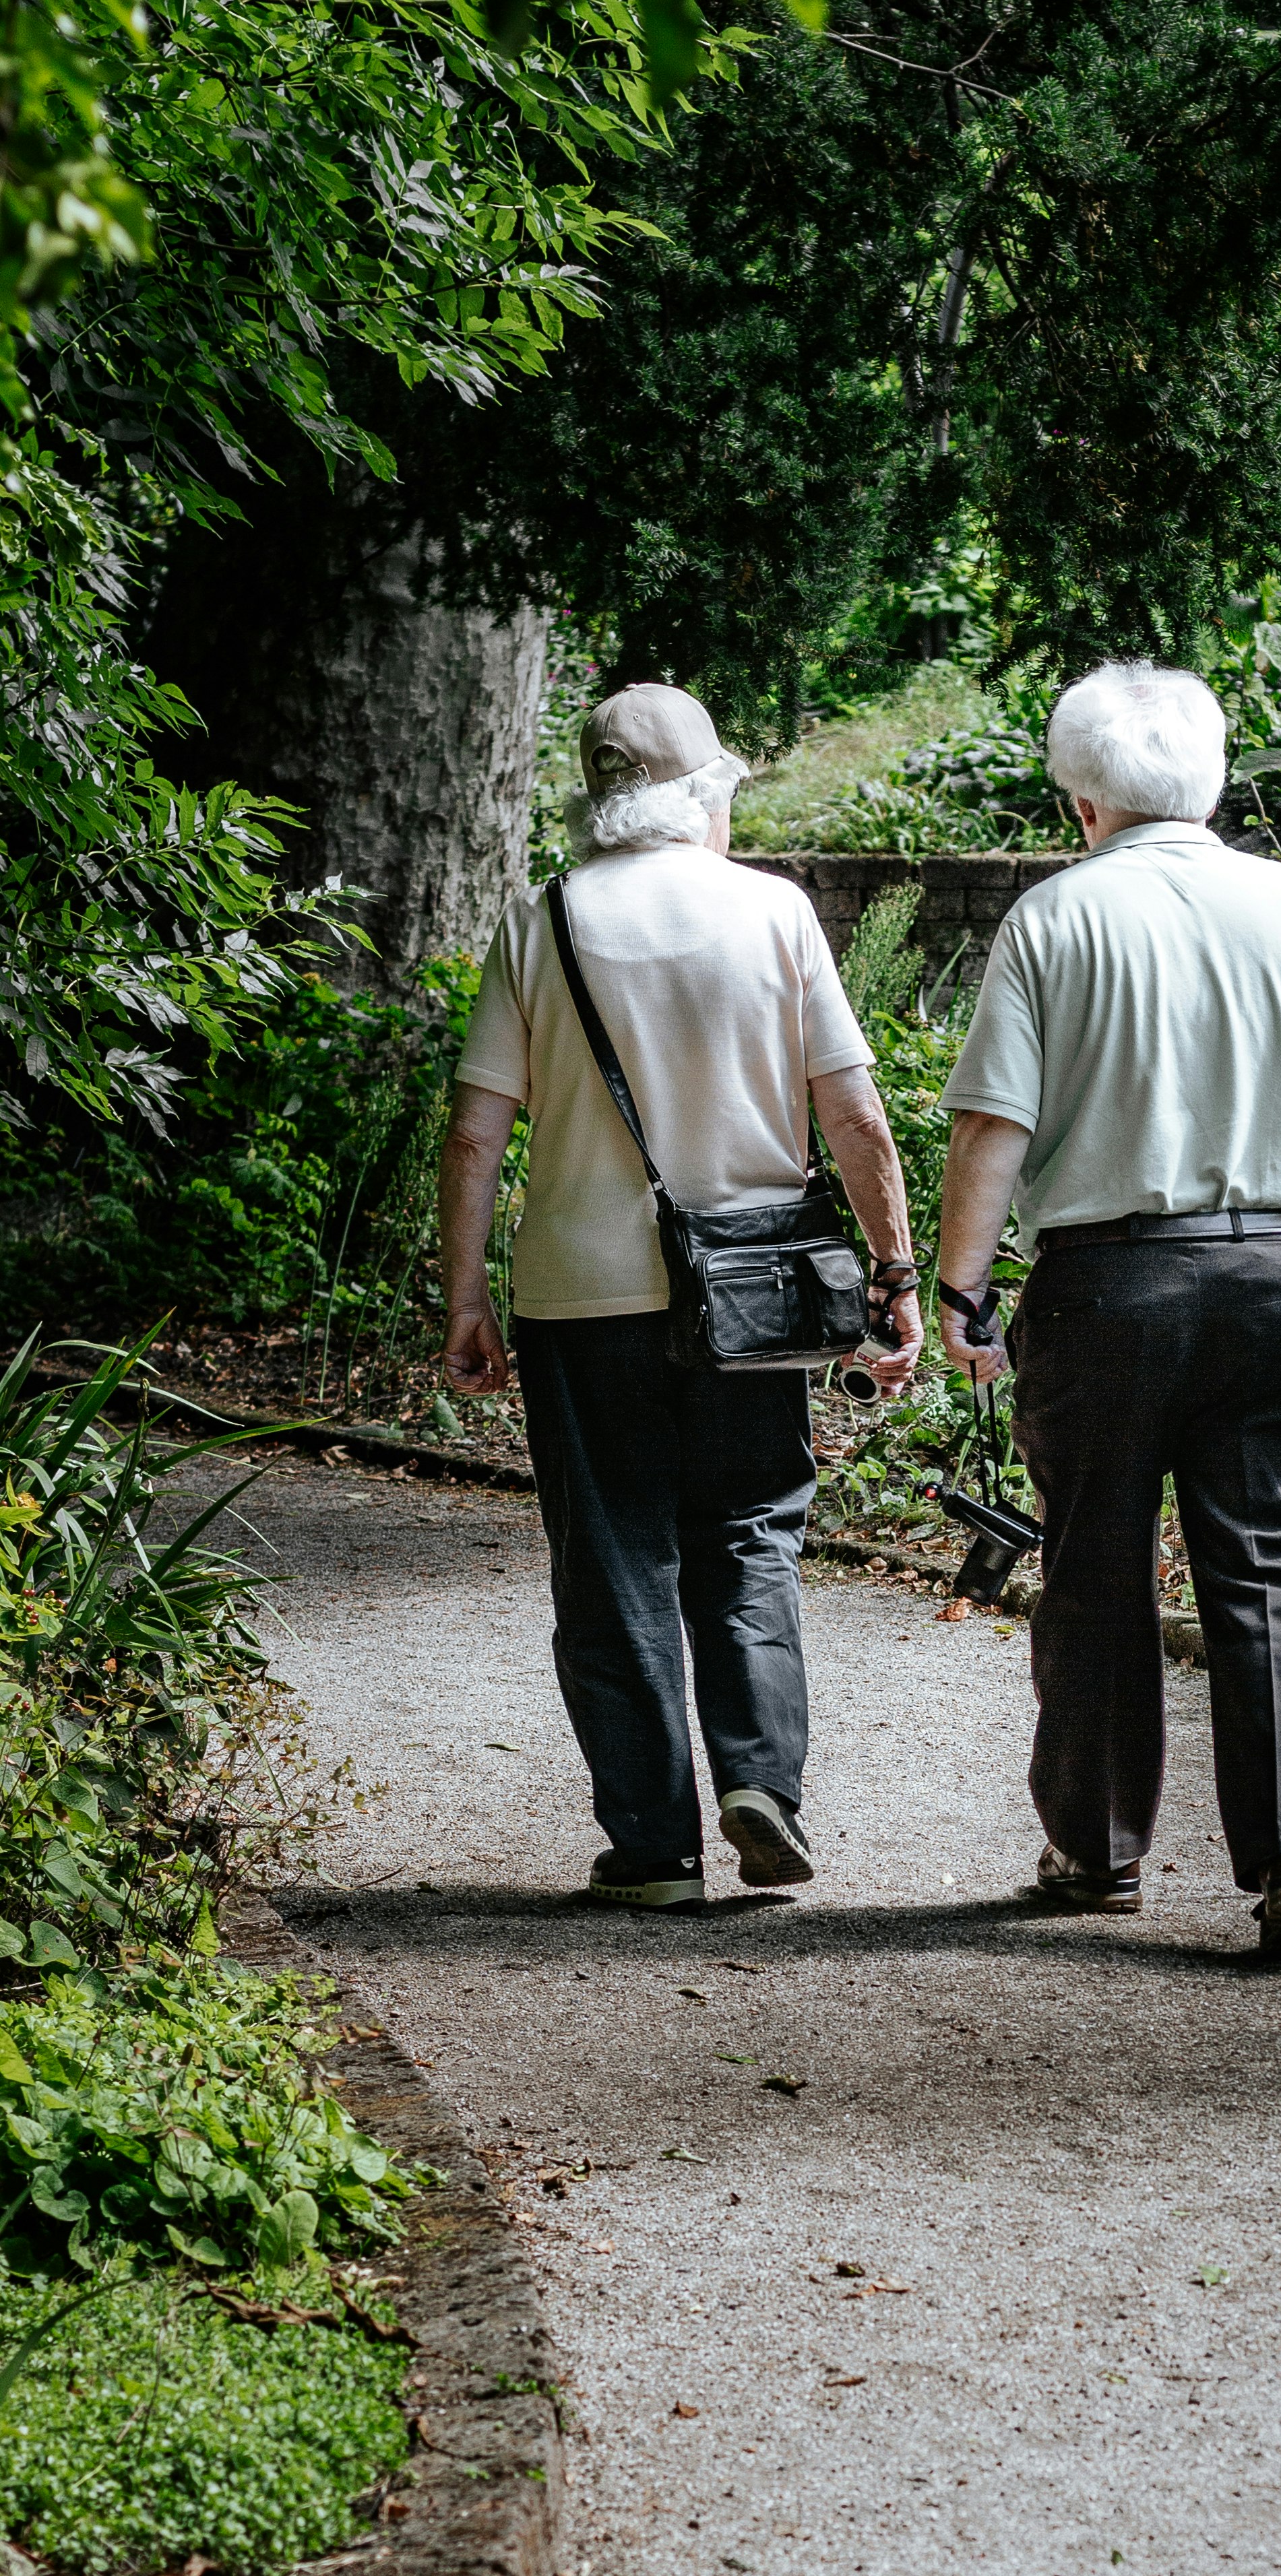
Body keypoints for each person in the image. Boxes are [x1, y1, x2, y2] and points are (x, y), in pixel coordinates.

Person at [935, 659, 1281, 1961]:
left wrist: (962, 1288)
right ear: (1210, 781)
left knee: (1092, 1562)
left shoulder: (1053, 918)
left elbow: (995, 1125)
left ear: (1080, 798)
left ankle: (1096, 1852)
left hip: (1106, 1287)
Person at [439, 680, 923, 1910]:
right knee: (751, 1531)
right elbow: (853, 1114)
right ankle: (762, 1781)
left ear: (598, 797)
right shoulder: (774, 911)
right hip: (755, 1294)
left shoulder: (539, 919)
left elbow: (473, 1134)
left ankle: (652, 1847)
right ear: (704, 790)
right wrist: (895, 1273)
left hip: (579, 1297)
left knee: (611, 1560)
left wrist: (463, 1297)